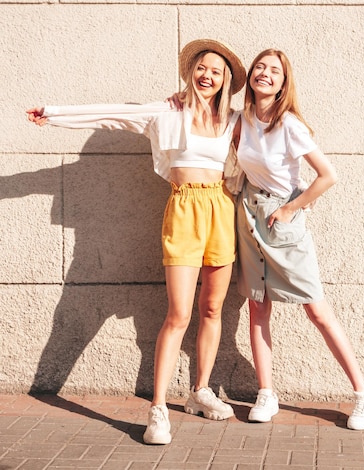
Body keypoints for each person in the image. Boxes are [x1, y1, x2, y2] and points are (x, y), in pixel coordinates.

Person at [26, 39, 247, 445]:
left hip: (220, 209)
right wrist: (54, 115)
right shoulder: (167, 112)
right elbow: (112, 115)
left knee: (212, 308)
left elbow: (275, 138)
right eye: (202, 67)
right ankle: (158, 409)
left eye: (216, 71)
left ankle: (200, 391)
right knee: (179, 313)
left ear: (225, 80)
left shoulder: (233, 120)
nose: (207, 76)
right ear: (190, 71)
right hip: (184, 210)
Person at [171, 49, 364, 429]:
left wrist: (291, 209)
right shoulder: (241, 120)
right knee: (258, 307)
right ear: (250, 77)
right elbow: (203, 115)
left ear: (283, 83)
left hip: (282, 222)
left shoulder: (289, 125)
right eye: (260, 67)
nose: (265, 73)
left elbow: (327, 175)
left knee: (316, 309)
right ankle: (267, 392)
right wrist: (180, 99)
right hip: (247, 217)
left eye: (274, 71)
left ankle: (363, 393)